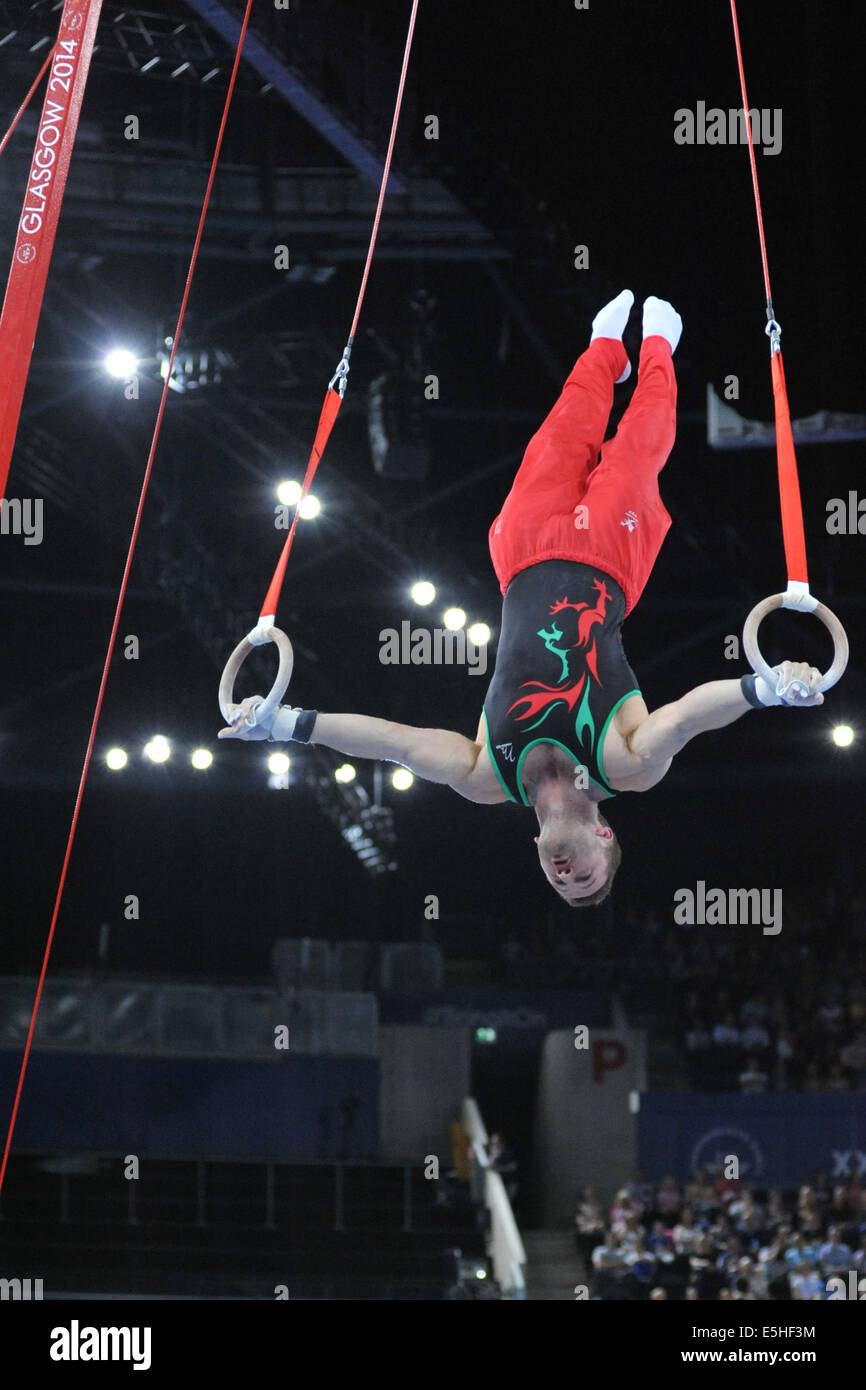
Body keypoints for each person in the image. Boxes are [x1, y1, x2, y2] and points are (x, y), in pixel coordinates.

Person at [220, 291, 826, 906]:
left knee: (557, 437)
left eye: (559, 883)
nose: (566, 874)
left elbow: (393, 742)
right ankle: (657, 350)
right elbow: (691, 714)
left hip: (522, 557)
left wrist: (289, 724)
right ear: (603, 833)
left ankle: (603, 352)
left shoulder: (488, 777)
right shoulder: (626, 767)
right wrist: (767, 687)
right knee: (638, 451)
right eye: (585, 875)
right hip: (607, 564)